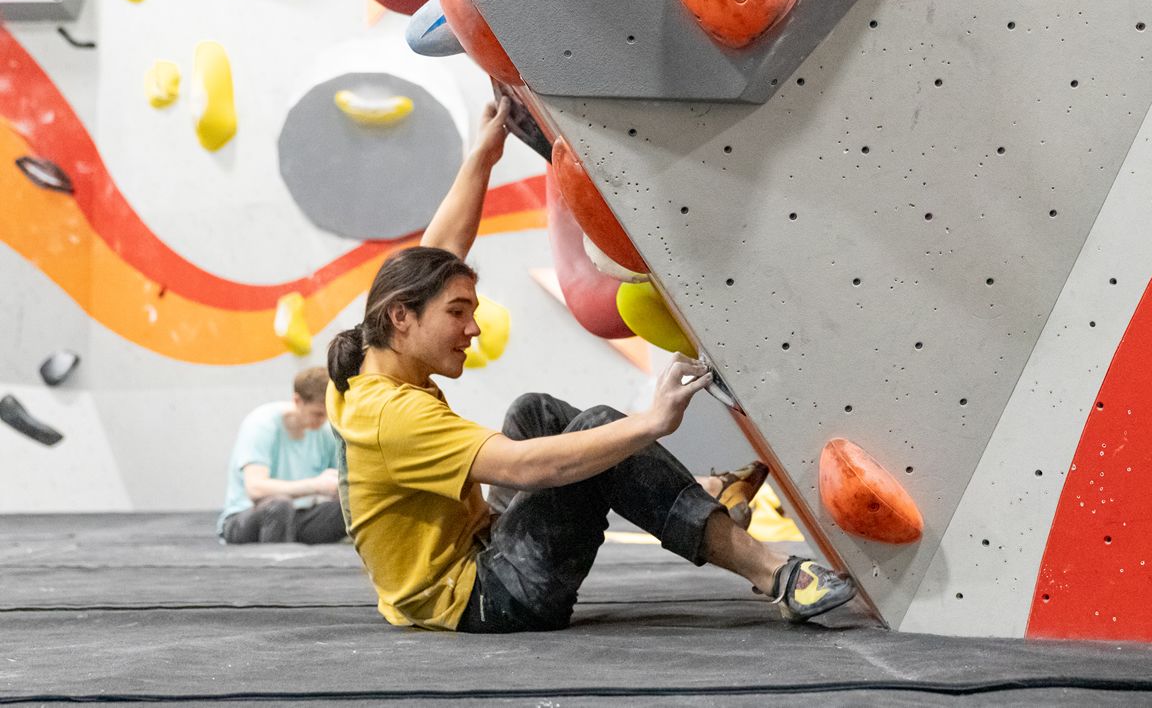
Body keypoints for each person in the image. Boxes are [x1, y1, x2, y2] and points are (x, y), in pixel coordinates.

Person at [325, 95, 855, 631]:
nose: (473, 328)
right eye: (457, 313)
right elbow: (526, 468)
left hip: (478, 545)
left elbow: (439, 250)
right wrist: (653, 422)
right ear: (403, 317)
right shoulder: (392, 415)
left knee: (533, 412)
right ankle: (776, 574)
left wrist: (484, 154)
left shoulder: (366, 354)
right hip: (486, 598)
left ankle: (703, 493)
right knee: (601, 430)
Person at [218, 367, 345, 545]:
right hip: (247, 516)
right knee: (279, 506)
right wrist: (315, 486)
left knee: (353, 506)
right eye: (317, 413)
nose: (323, 419)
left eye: (327, 414)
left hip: (300, 515)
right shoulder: (262, 425)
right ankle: (278, 561)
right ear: (297, 401)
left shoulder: (325, 431)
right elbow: (255, 488)